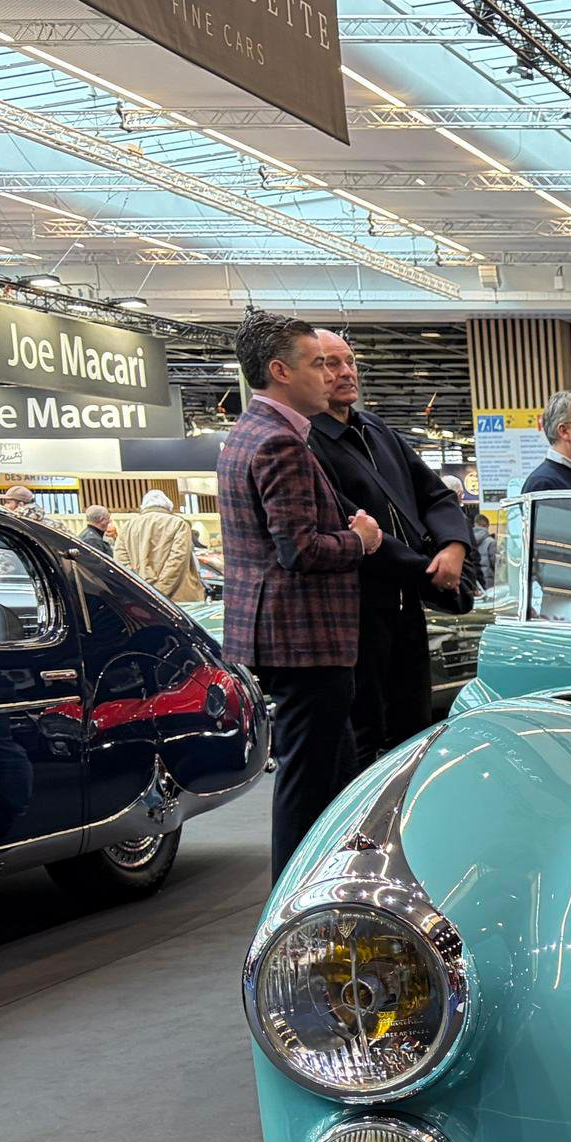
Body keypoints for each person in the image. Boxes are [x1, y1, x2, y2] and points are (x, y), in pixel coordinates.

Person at [217, 309, 382, 877]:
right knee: (308, 780)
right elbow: (300, 549)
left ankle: (331, 885)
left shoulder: (252, 434)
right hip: (304, 638)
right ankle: (291, 899)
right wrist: (359, 540)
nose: (330, 376)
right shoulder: (278, 443)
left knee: (333, 772)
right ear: (280, 371)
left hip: (290, 637)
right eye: (318, 364)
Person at [305, 329, 476, 763]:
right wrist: (429, 572)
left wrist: (454, 546)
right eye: (330, 363)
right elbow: (356, 531)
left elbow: (436, 495)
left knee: (415, 732)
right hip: (356, 614)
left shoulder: (377, 429)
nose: (346, 372)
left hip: (407, 609)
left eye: (350, 361)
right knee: (364, 739)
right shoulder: (308, 444)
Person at [114, 488, 200, 603]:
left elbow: (121, 561)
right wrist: (159, 591)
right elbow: (177, 560)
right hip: (176, 597)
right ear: (168, 506)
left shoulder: (127, 527)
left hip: (141, 598)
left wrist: (142, 589)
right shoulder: (178, 524)